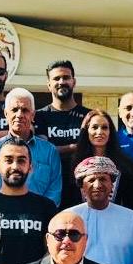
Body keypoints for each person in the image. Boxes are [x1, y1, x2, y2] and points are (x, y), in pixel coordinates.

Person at [0, 88, 62, 206]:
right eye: (14, 110)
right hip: (2, 214)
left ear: (33, 115)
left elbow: (54, 192)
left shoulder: (49, 151)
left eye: (25, 110)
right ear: (6, 114)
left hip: (40, 215)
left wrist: (37, 213)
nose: (19, 115)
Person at [34, 60, 91, 209]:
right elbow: (44, 150)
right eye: (56, 78)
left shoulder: (88, 116)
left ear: (74, 82)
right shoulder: (39, 116)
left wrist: (61, 148)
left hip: (82, 188)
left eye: (66, 77)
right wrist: (75, 147)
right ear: (49, 85)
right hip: (50, 187)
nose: (61, 82)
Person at [72, 109, 133, 215]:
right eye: (94, 127)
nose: (99, 132)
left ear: (110, 132)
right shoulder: (75, 164)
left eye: (104, 127)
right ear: (86, 131)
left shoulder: (125, 165)